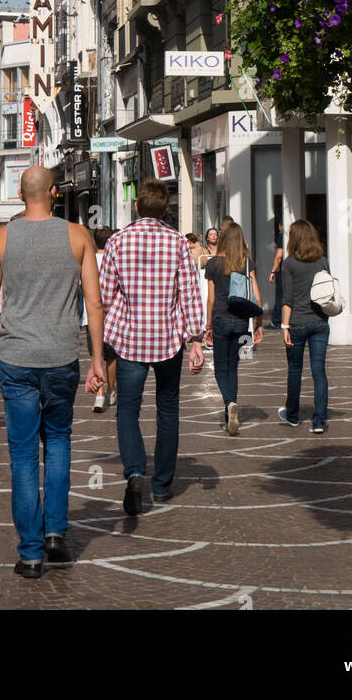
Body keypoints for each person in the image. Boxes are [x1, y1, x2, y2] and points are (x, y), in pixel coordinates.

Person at [0, 167, 104, 578]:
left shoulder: (0, 238)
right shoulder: (78, 235)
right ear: (53, 193)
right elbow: (94, 304)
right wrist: (98, 360)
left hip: (16, 358)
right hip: (61, 355)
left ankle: (30, 552)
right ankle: (56, 533)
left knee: (23, 454)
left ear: (19, 192)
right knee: (60, 441)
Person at [100, 179, 205, 515]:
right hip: (168, 340)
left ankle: (133, 470)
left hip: (130, 340)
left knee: (127, 412)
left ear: (137, 207)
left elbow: (104, 295)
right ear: (166, 210)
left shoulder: (118, 241)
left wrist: (104, 334)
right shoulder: (178, 244)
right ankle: (161, 485)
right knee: (168, 411)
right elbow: (189, 294)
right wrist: (196, 340)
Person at [205, 221, 263, 434]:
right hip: (241, 321)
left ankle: (229, 403)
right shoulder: (246, 263)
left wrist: (208, 325)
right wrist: (258, 324)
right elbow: (257, 297)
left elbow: (210, 299)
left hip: (220, 318)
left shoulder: (213, 265)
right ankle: (231, 407)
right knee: (233, 366)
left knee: (220, 367)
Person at [279, 219, 331, 433]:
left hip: (298, 323)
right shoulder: (323, 261)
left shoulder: (289, 264)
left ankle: (292, 415)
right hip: (320, 321)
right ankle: (319, 421)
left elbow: (287, 299)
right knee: (319, 371)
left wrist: (284, 326)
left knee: (295, 370)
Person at [88, 227, 117, 413]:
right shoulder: (114, 258)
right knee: (112, 357)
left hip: (92, 315)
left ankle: (99, 395)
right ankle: (111, 391)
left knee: (96, 355)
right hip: (113, 315)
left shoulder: (90, 260)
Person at [269, 223, 284, 329]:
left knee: (280, 296)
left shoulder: (282, 237)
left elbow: (279, 256)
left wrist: (273, 272)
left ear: (280, 225)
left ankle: (277, 320)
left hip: (283, 271)